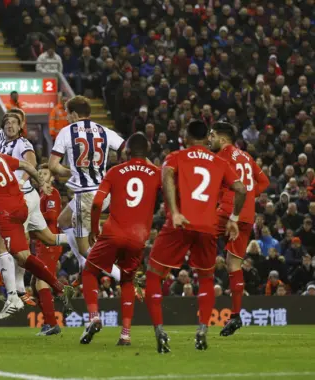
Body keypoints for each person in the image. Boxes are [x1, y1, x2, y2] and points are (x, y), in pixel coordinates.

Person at [144, 120, 247, 353]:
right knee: (207, 278)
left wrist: (176, 212)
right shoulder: (220, 162)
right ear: (206, 138)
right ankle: (202, 330)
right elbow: (241, 189)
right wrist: (234, 218)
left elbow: (166, 177)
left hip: (179, 225)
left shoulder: (176, 157)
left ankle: (159, 330)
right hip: (207, 228)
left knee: (153, 275)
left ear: (186, 136)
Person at [0, 136, 75, 320]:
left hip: (7, 214)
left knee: (15, 253)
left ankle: (15, 297)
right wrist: (40, 181)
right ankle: (59, 285)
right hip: (23, 205)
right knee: (43, 240)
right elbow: (26, 165)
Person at [80, 133, 161, 346]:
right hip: (138, 237)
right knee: (127, 280)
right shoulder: (156, 173)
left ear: (126, 151)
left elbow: (97, 202)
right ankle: (125, 333)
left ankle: (94, 316)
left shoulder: (115, 171)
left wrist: (95, 227)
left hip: (114, 232)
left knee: (90, 271)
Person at [0, 112, 69, 308]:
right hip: (28, 197)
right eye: (7, 122)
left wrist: (21, 181)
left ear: (20, 128)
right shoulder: (1, 142)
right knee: (49, 238)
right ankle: (79, 238)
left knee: (6, 246)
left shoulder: (23, 144)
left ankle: (17, 293)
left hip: (23, 197)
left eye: (14, 123)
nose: (10, 125)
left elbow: (31, 162)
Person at [48, 95, 125, 275]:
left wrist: (72, 171)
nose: (66, 118)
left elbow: (53, 166)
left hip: (87, 196)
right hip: (104, 192)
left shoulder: (67, 131)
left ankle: (122, 276)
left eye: (67, 114)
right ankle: (84, 264)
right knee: (63, 220)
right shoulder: (104, 130)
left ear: (74, 114)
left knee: (86, 249)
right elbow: (125, 148)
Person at [208, 122, 270, 337]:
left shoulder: (222, 156)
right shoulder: (247, 157)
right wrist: (250, 196)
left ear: (223, 139)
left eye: (212, 135)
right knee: (233, 264)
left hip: (228, 210)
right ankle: (235, 315)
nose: (209, 139)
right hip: (247, 215)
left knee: (197, 236)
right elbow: (263, 181)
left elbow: (212, 182)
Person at [34, 164, 64, 336]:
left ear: (52, 178)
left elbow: (52, 216)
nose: (42, 176)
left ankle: (52, 324)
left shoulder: (51, 193)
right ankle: (61, 293)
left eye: (45, 173)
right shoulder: (40, 194)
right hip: (41, 243)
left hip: (50, 242)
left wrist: (32, 215)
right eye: (39, 173)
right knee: (35, 283)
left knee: (41, 282)